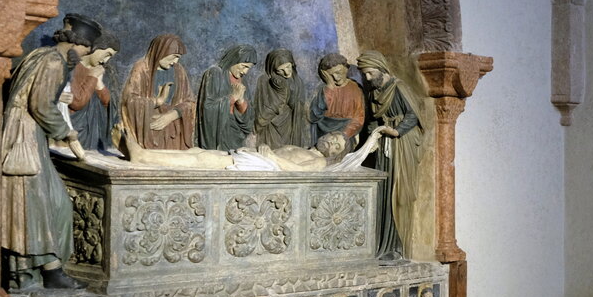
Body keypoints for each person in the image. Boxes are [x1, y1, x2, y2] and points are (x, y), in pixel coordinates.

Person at [0, 14, 99, 292]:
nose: (84, 55)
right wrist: (67, 132)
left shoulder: (40, 55)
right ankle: (42, 272)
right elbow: (40, 105)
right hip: (25, 139)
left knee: (50, 203)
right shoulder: (53, 61)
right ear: (78, 44)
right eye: (86, 48)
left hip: (25, 135)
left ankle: (47, 269)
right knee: (37, 205)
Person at [357, 51, 427, 261]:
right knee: (384, 192)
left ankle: (397, 246)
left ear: (381, 68)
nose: (367, 78)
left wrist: (396, 131)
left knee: (399, 192)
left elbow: (413, 115)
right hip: (384, 145)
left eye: (370, 73)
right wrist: (372, 136)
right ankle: (383, 245)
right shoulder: (374, 92)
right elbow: (373, 119)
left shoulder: (399, 87)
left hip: (402, 144)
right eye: (364, 74)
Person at [116, 125, 392, 172]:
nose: (331, 142)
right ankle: (143, 153)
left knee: (204, 161)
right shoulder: (301, 146)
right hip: (258, 157)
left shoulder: (318, 162)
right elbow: (280, 152)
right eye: (332, 137)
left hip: (264, 166)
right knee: (197, 152)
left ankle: (143, 157)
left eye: (336, 146)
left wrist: (271, 156)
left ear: (334, 155)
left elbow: (294, 170)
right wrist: (265, 147)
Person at [121, 34, 196, 150]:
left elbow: (190, 102)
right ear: (162, 51)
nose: (175, 61)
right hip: (150, 129)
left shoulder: (179, 71)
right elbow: (130, 100)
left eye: (178, 58)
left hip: (173, 133)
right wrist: (157, 101)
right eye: (174, 56)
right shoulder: (142, 68)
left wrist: (172, 115)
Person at [63, 32, 120, 152]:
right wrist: (92, 77)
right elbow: (77, 102)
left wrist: (99, 85)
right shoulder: (73, 67)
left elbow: (108, 104)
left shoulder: (101, 70)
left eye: (110, 57)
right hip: (76, 129)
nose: (105, 60)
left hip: (94, 132)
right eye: (107, 54)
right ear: (96, 47)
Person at [197, 44, 257, 151]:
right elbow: (208, 108)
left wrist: (241, 102)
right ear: (234, 60)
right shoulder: (215, 73)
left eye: (249, 68)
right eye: (244, 66)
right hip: (219, 131)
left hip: (236, 132)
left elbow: (248, 118)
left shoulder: (243, 81)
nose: (245, 71)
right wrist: (232, 98)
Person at [253, 48, 308, 148]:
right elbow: (262, 107)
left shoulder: (297, 82)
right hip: (270, 125)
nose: (286, 73)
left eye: (288, 67)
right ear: (273, 69)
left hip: (289, 123)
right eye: (280, 70)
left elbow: (298, 106)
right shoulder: (264, 80)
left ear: (292, 64)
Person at [310, 53, 365, 149]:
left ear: (346, 69)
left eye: (338, 72)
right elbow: (314, 115)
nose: (335, 77)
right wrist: (329, 87)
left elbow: (358, 118)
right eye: (331, 75)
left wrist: (344, 135)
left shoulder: (355, 89)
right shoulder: (324, 89)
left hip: (344, 137)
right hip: (322, 136)